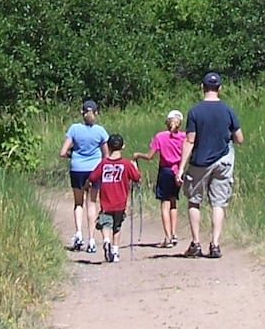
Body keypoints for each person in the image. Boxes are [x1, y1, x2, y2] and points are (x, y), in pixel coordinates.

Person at [179, 72, 243, 259]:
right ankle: (215, 244)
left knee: (194, 200)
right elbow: (239, 138)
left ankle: (196, 243)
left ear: (202, 87)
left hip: (200, 161)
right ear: (220, 88)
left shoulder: (195, 111)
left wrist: (181, 167)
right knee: (218, 203)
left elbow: (190, 140)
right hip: (223, 161)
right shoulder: (228, 110)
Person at [58, 100, 109, 253]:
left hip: (77, 169)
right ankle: (92, 240)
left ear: (82, 113)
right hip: (94, 169)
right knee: (92, 203)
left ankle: (79, 233)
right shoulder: (100, 131)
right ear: (96, 113)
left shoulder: (74, 129)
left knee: (78, 203)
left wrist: (72, 155)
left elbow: (62, 152)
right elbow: (106, 154)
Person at [133, 109, 186, 247]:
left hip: (165, 171)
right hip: (178, 171)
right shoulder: (184, 137)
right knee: (174, 202)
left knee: (164, 204)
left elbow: (150, 156)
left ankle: (167, 237)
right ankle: (174, 234)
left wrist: (139, 155)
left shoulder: (160, 136)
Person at [87, 133, 142, 263]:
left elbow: (93, 177)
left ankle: (106, 241)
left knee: (105, 223)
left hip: (106, 201)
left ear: (109, 147)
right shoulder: (126, 164)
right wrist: (135, 167)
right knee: (117, 226)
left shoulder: (103, 163)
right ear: (122, 147)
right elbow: (137, 177)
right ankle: (115, 251)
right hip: (120, 201)